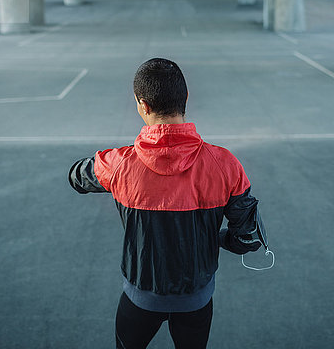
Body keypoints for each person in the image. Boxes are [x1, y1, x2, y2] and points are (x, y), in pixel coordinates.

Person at [68, 58, 265, 349]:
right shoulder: (226, 164)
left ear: (143, 105)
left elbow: (76, 176)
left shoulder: (118, 164)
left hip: (140, 299)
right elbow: (248, 238)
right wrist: (218, 238)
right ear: (185, 98)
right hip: (196, 301)